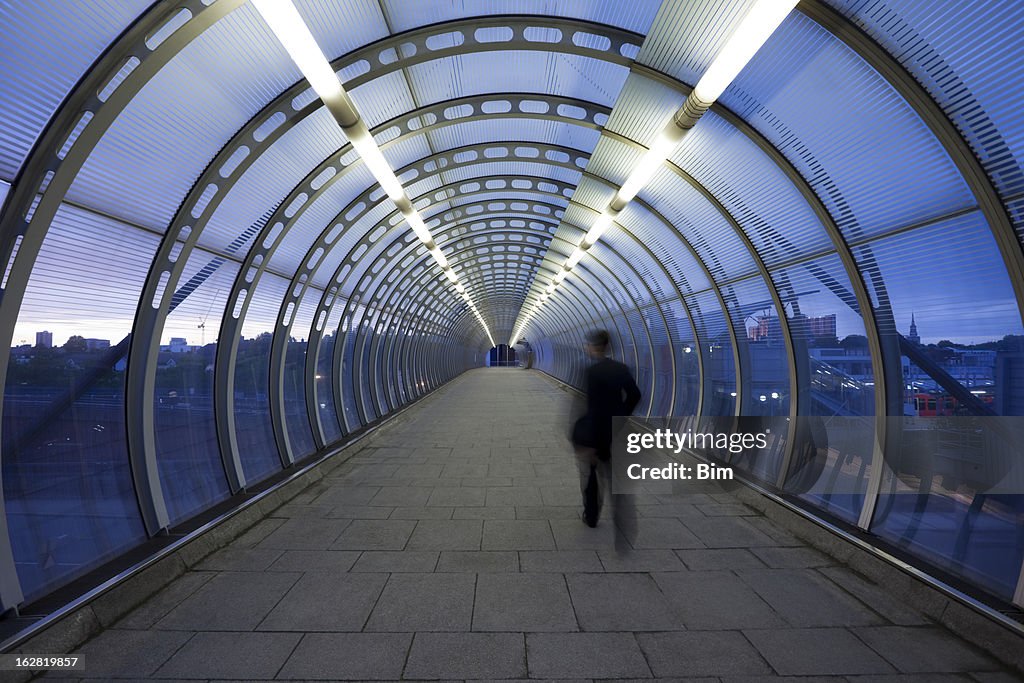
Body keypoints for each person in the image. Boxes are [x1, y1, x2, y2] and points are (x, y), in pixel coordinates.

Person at [570, 330, 641, 546]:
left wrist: (578, 436)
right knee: (614, 477)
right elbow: (635, 395)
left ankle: (591, 515)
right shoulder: (621, 369)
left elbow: (588, 406)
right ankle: (623, 520)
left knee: (591, 476)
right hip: (615, 432)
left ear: (593, 347)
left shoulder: (591, 372)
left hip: (595, 432)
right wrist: (621, 415)